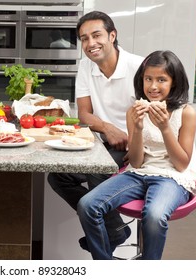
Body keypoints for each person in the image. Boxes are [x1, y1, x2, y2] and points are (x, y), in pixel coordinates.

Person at [78, 50, 196, 260]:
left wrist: (165, 128)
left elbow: (181, 164)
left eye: (162, 79)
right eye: (148, 79)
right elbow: (136, 161)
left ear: (174, 82)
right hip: (139, 173)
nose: (153, 86)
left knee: (154, 216)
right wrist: (139, 128)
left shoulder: (186, 112)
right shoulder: (134, 111)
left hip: (173, 178)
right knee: (87, 205)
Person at [47, 11, 144, 252]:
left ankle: (106, 235)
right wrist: (108, 128)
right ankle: (114, 229)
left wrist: (133, 143)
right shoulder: (85, 66)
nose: (90, 44)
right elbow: (84, 114)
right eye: (84, 38)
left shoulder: (139, 67)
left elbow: (152, 116)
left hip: (138, 147)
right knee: (58, 176)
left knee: (96, 172)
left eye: (97, 35)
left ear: (113, 35)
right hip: (105, 145)